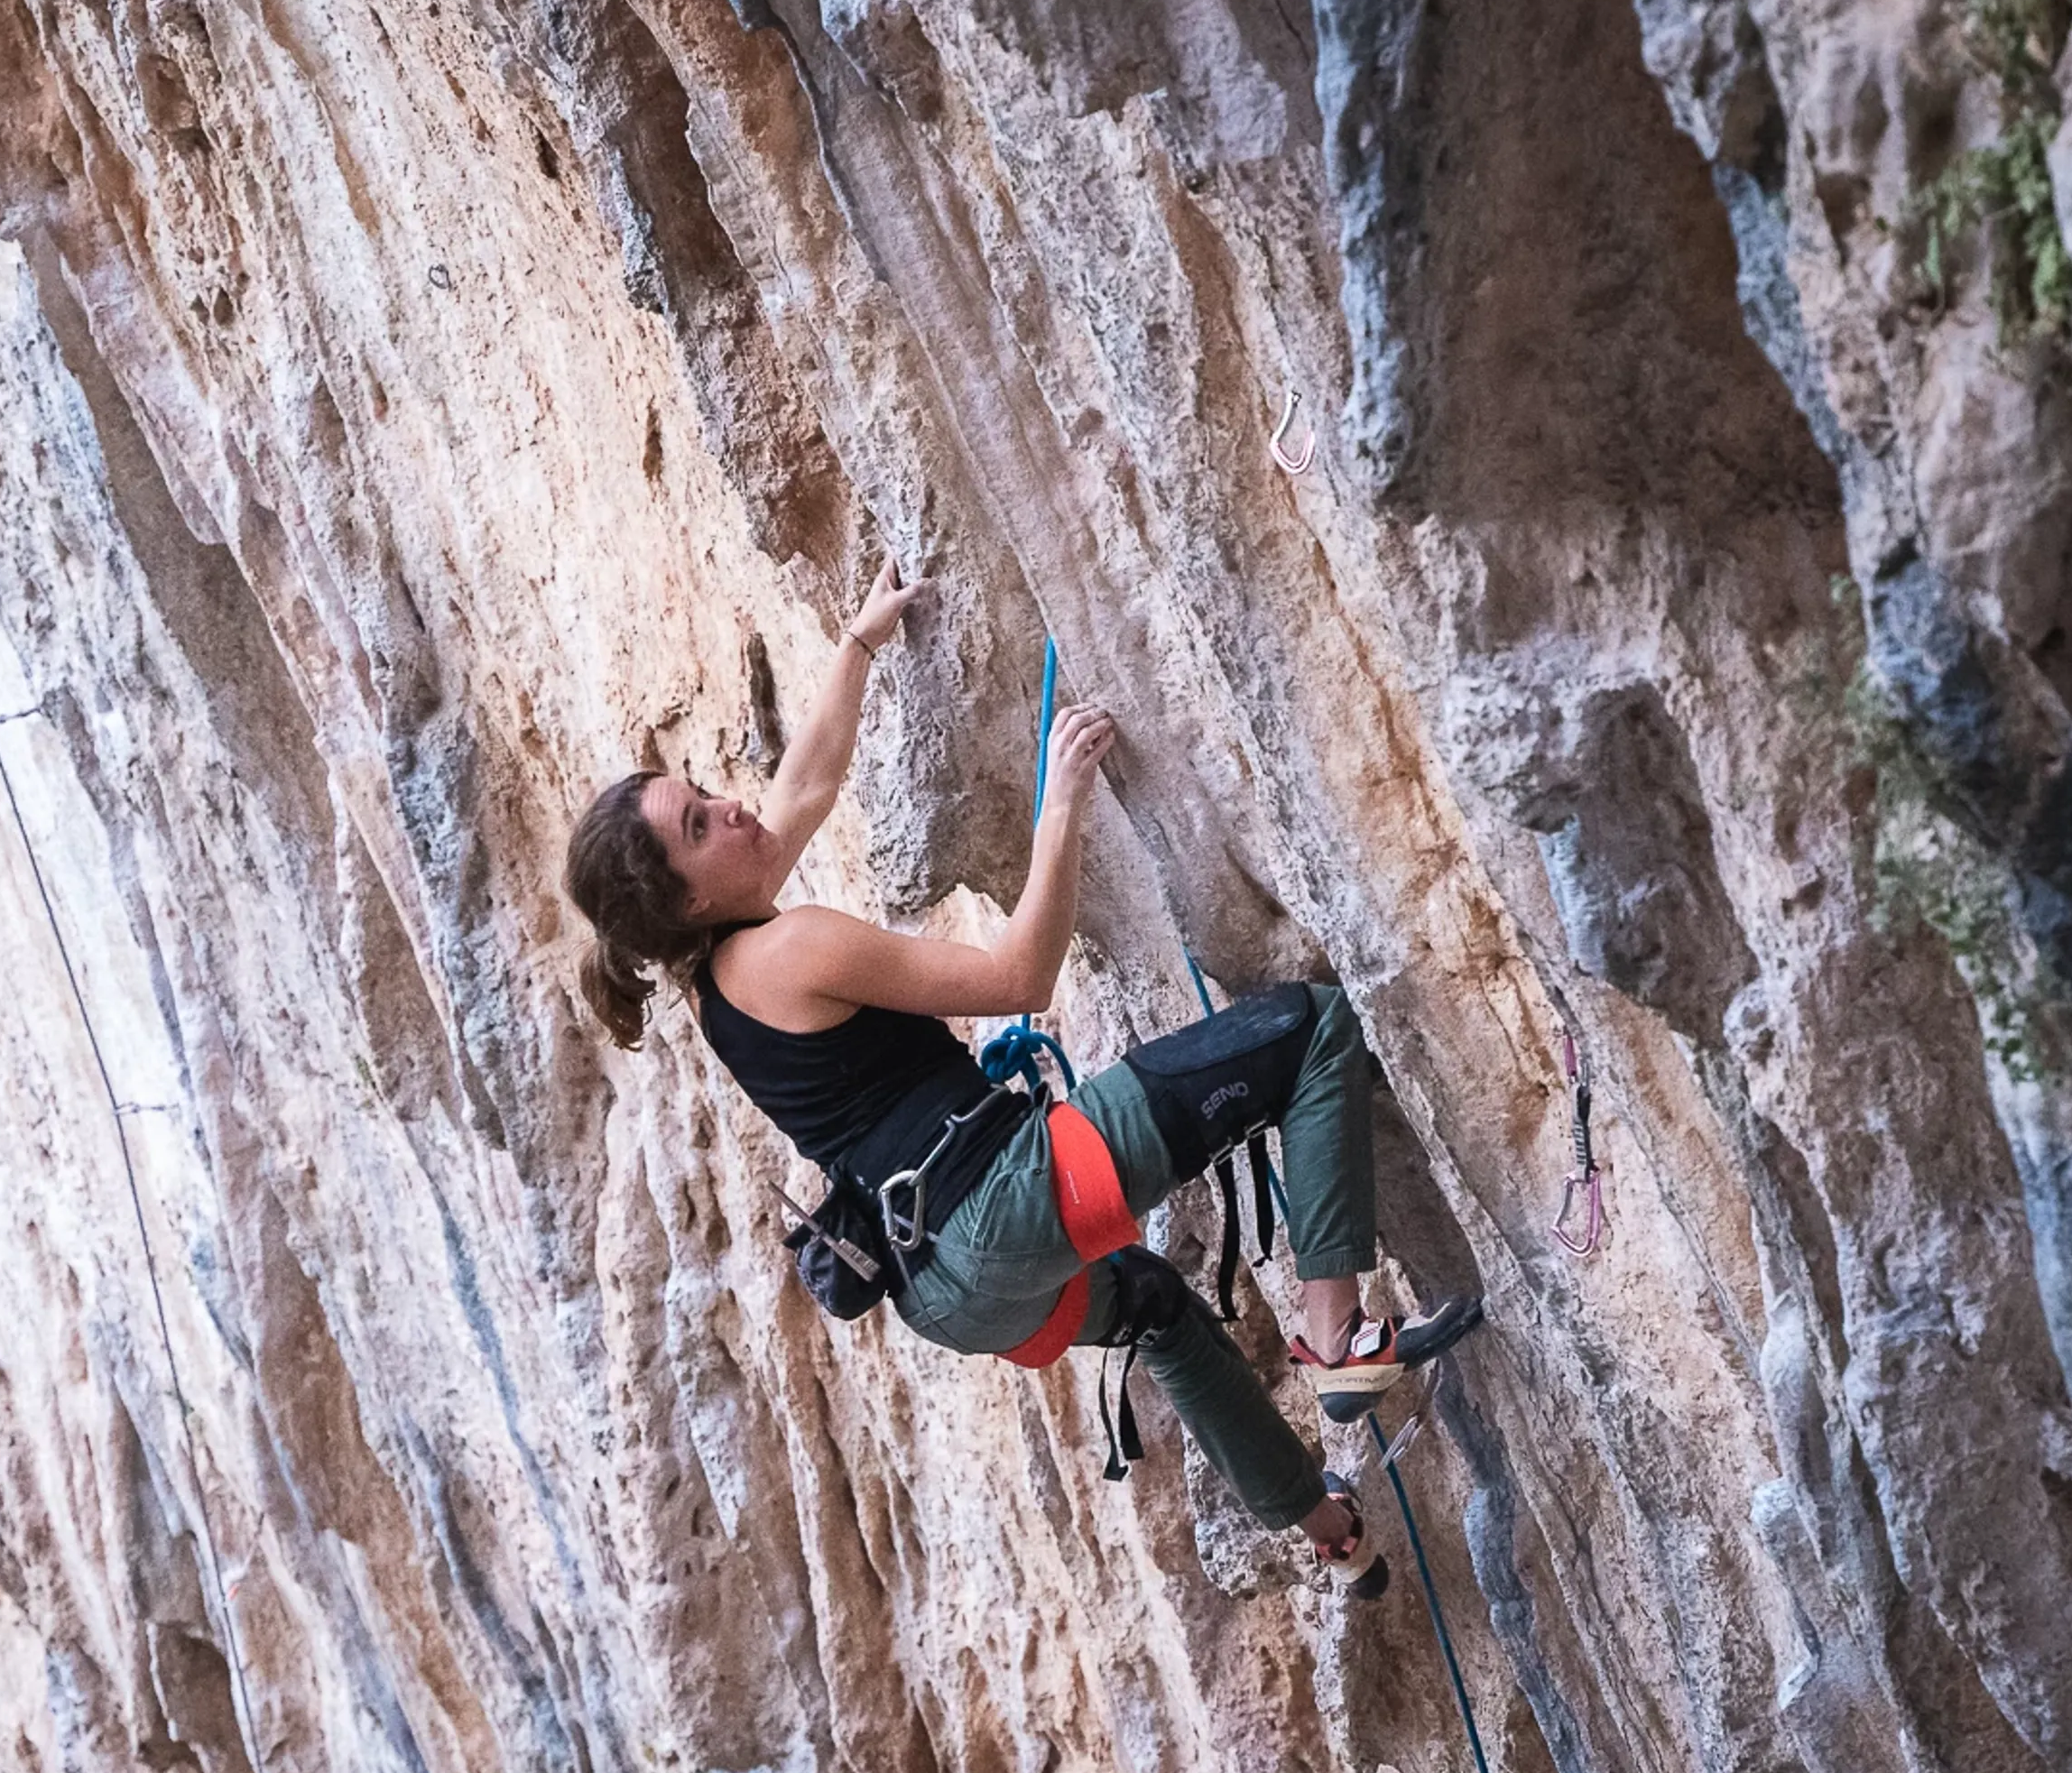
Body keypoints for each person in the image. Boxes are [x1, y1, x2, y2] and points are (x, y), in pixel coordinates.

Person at [563, 564, 1481, 1596]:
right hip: (1005, 1201)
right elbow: (1019, 978)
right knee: (1310, 1028)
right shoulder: (793, 947)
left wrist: (859, 644)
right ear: (689, 901)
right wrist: (1061, 804)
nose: (729, 809)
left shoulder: (713, 975)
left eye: (701, 794)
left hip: (946, 1293)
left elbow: (802, 789)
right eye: (699, 826)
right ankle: (1336, 1333)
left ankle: (1328, 1532)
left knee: (1154, 1308)